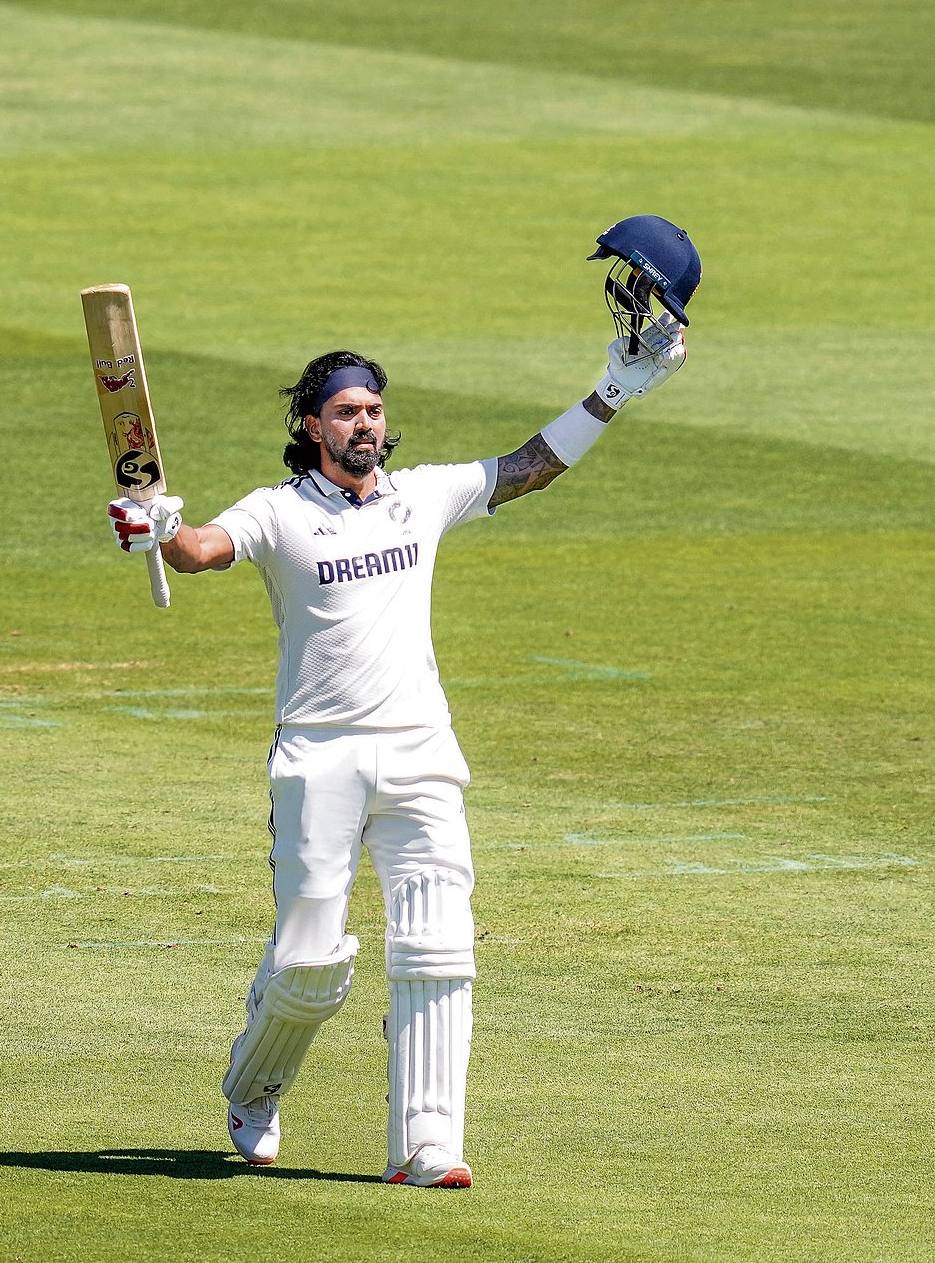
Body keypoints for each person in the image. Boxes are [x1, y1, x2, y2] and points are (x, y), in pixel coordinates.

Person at [106, 216, 701, 1188]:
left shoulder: (418, 497)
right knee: (310, 965)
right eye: (344, 412)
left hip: (422, 752)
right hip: (319, 759)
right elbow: (198, 550)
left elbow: (524, 468)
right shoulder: (277, 510)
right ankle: (254, 1090)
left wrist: (614, 390)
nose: (364, 424)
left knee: (437, 945)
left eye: (372, 410)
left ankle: (428, 1142)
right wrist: (156, 524)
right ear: (311, 425)